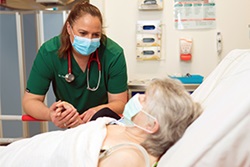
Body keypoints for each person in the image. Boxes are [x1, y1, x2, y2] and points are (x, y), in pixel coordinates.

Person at [0, 78, 202, 167]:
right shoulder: (125, 127)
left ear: (151, 125)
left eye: (144, 98)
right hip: (21, 152)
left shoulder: (130, 156)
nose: (137, 97)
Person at [22, 1, 128, 128]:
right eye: (83, 33)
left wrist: (98, 111)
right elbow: (30, 101)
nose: (89, 40)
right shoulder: (49, 52)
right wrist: (51, 115)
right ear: (69, 28)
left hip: (103, 124)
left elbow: (120, 102)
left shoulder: (113, 54)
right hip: (69, 125)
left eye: (95, 35)